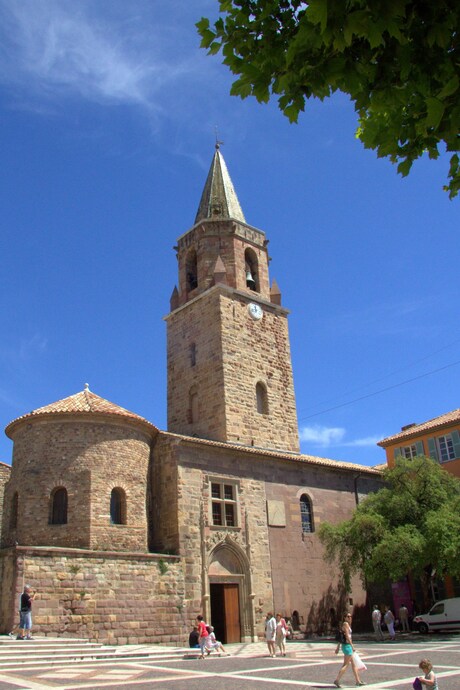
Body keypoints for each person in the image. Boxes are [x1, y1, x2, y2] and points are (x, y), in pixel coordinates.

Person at [333, 612, 365, 688]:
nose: (350, 617)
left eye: (350, 616)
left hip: (347, 646)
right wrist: (352, 646)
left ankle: (358, 681)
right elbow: (347, 636)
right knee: (346, 664)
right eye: (348, 616)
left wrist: (337, 647)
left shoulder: (347, 625)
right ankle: (337, 680)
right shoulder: (345, 624)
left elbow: (341, 637)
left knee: (353, 664)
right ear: (344, 617)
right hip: (347, 646)